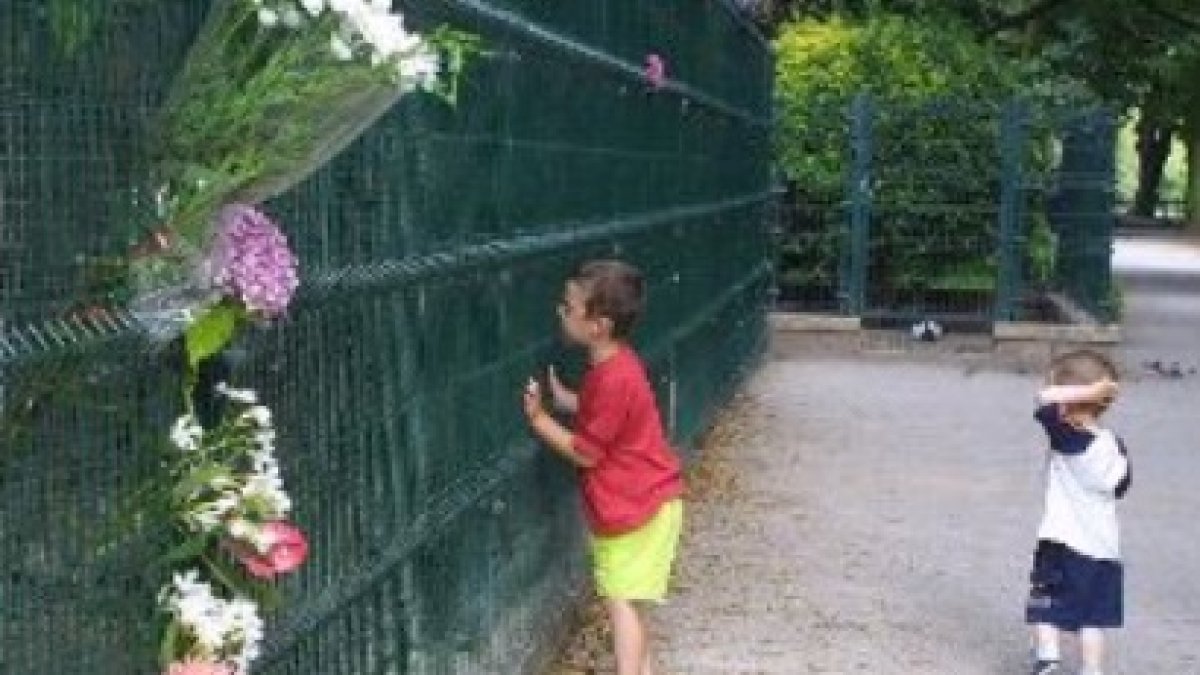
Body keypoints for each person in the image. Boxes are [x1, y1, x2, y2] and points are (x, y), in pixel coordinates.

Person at [522, 259, 684, 675]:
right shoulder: (615, 364)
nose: (562, 311)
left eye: (570, 307)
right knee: (629, 603)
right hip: (642, 504)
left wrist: (541, 420)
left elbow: (586, 452)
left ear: (599, 325)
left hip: (637, 510)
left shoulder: (613, 378)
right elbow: (606, 416)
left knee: (622, 604)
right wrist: (568, 400)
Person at [1026, 350, 1131, 675]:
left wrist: (1087, 392)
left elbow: (1043, 400)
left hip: (1062, 542)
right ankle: (1092, 670)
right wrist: (1094, 395)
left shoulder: (1066, 438)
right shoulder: (1114, 445)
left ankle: (1047, 660)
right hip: (1103, 550)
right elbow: (1121, 487)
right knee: (1092, 619)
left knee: (1047, 607)